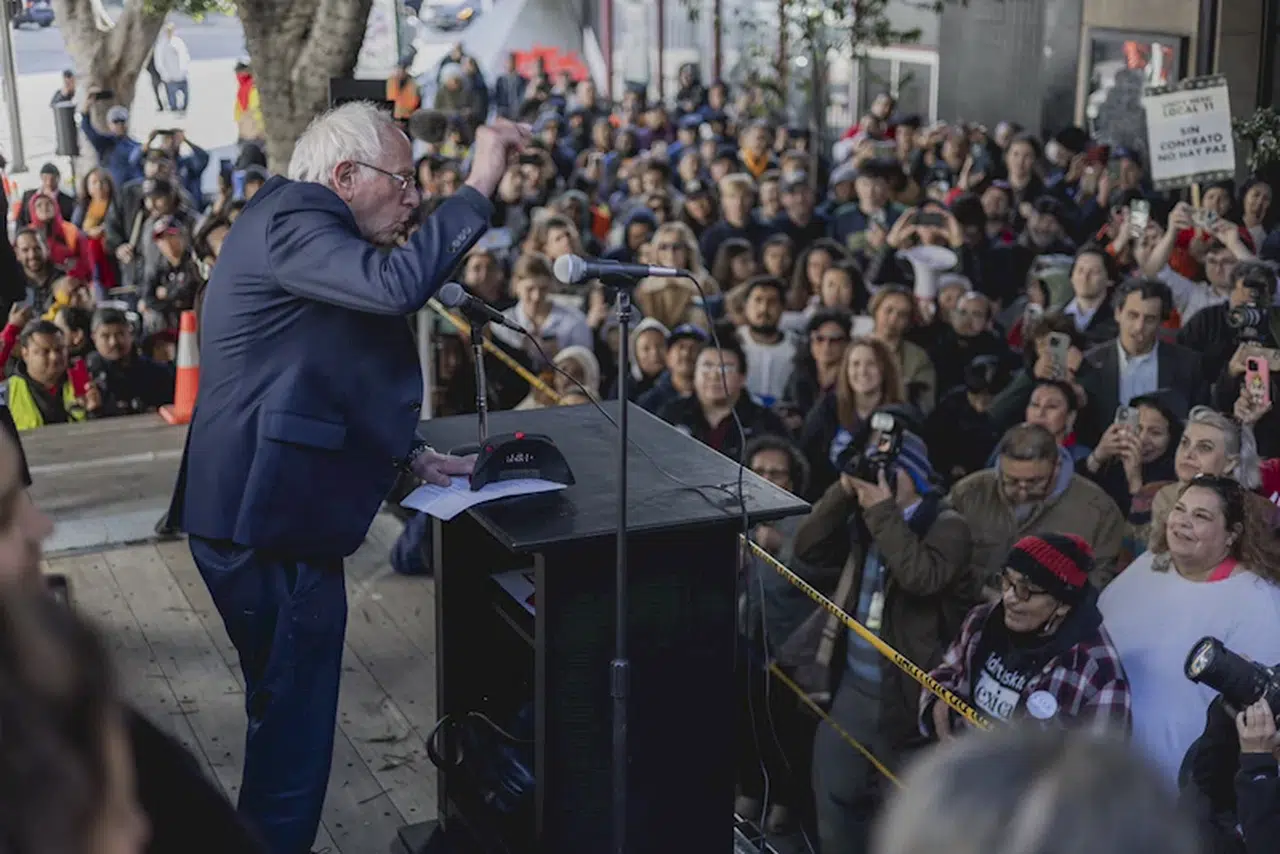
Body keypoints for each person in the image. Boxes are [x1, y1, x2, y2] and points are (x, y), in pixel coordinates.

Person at [166, 102, 530, 854]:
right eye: (403, 181)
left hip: (263, 512)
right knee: (292, 743)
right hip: (264, 524)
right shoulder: (298, 214)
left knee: (284, 725)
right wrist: (481, 182)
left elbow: (311, 374)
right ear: (344, 176)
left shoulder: (297, 229)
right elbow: (397, 285)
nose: (414, 198)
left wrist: (407, 461)